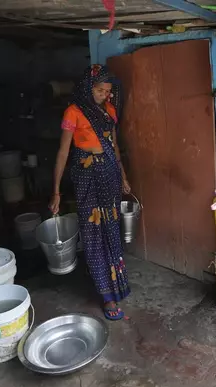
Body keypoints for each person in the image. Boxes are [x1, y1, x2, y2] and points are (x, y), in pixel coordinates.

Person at [49, 64, 131, 320]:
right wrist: (56, 192)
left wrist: (124, 176)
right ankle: (106, 296)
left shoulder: (109, 111)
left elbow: (114, 146)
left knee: (111, 229)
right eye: (99, 90)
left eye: (107, 91)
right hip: (86, 176)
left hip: (108, 174)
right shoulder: (73, 112)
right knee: (93, 230)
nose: (104, 95)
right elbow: (63, 152)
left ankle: (115, 282)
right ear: (87, 87)